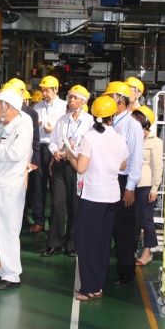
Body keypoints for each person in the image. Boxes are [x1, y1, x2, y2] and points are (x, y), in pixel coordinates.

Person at [66, 95, 128, 300]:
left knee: (85, 241)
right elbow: (123, 165)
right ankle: (97, 284)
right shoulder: (118, 137)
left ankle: (90, 287)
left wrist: (70, 156)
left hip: (93, 196)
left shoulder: (89, 137)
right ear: (112, 115)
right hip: (112, 195)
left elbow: (81, 167)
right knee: (102, 241)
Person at [0, 89, 33, 290]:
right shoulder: (5, 126)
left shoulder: (22, 127)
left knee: (9, 231)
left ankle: (12, 275)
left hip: (10, 186)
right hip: (0, 183)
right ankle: (4, 270)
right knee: (0, 230)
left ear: (8, 108)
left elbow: (14, 154)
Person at [43, 85, 93, 257]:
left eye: (75, 98)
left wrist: (74, 152)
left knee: (74, 206)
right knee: (57, 205)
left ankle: (71, 244)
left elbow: (90, 145)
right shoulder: (63, 120)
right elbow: (53, 140)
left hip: (76, 166)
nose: (71, 100)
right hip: (60, 165)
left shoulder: (89, 122)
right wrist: (55, 151)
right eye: (70, 97)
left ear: (84, 101)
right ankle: (54, 243)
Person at [103, 81, 144, 285]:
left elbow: (136, 157)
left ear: (120, 100)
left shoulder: (132, 125)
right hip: (106, 178)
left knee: (123, 228)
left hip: (123, 181)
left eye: (109, 97)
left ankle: (126, 271)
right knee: (106, 226)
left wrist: (130, 187)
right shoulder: (107, 123)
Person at [31, 75, 67, 233]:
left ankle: (53, 223)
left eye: (47, 91)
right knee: (38, 185)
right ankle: (38, 221)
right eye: (42, 90)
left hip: (55, 150)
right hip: (40, 147)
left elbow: (67, 129)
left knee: (55, 187)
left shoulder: (64, 107)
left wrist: (54, 130)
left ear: (56, 90)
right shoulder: (38, 107)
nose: (44, 94)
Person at [132, 106, 163, 266]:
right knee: (133, 220)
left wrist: (154, 188)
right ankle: (132, 249)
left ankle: (147, 252)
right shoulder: (131, 138)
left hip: (146, 185)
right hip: (132, 184)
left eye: (137, 119)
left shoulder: (155, 142)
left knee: (146, 220)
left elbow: (157, 167)